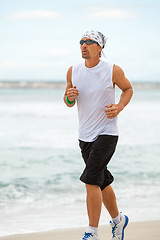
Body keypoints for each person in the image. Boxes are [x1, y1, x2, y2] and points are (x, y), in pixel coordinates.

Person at [64, 30, 133, 240]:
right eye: (81, 42)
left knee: (91, 180)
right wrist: (69, 97)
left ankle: (92, 232)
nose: (84, 45)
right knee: (102, 182)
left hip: (107, 132)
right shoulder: (73, 71)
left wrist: (119, 106)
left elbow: (128, 89)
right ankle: (118, 221)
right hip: (84, 135)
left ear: (100, 47)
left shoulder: (112, 70)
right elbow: (68, 102)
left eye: (89, 42)